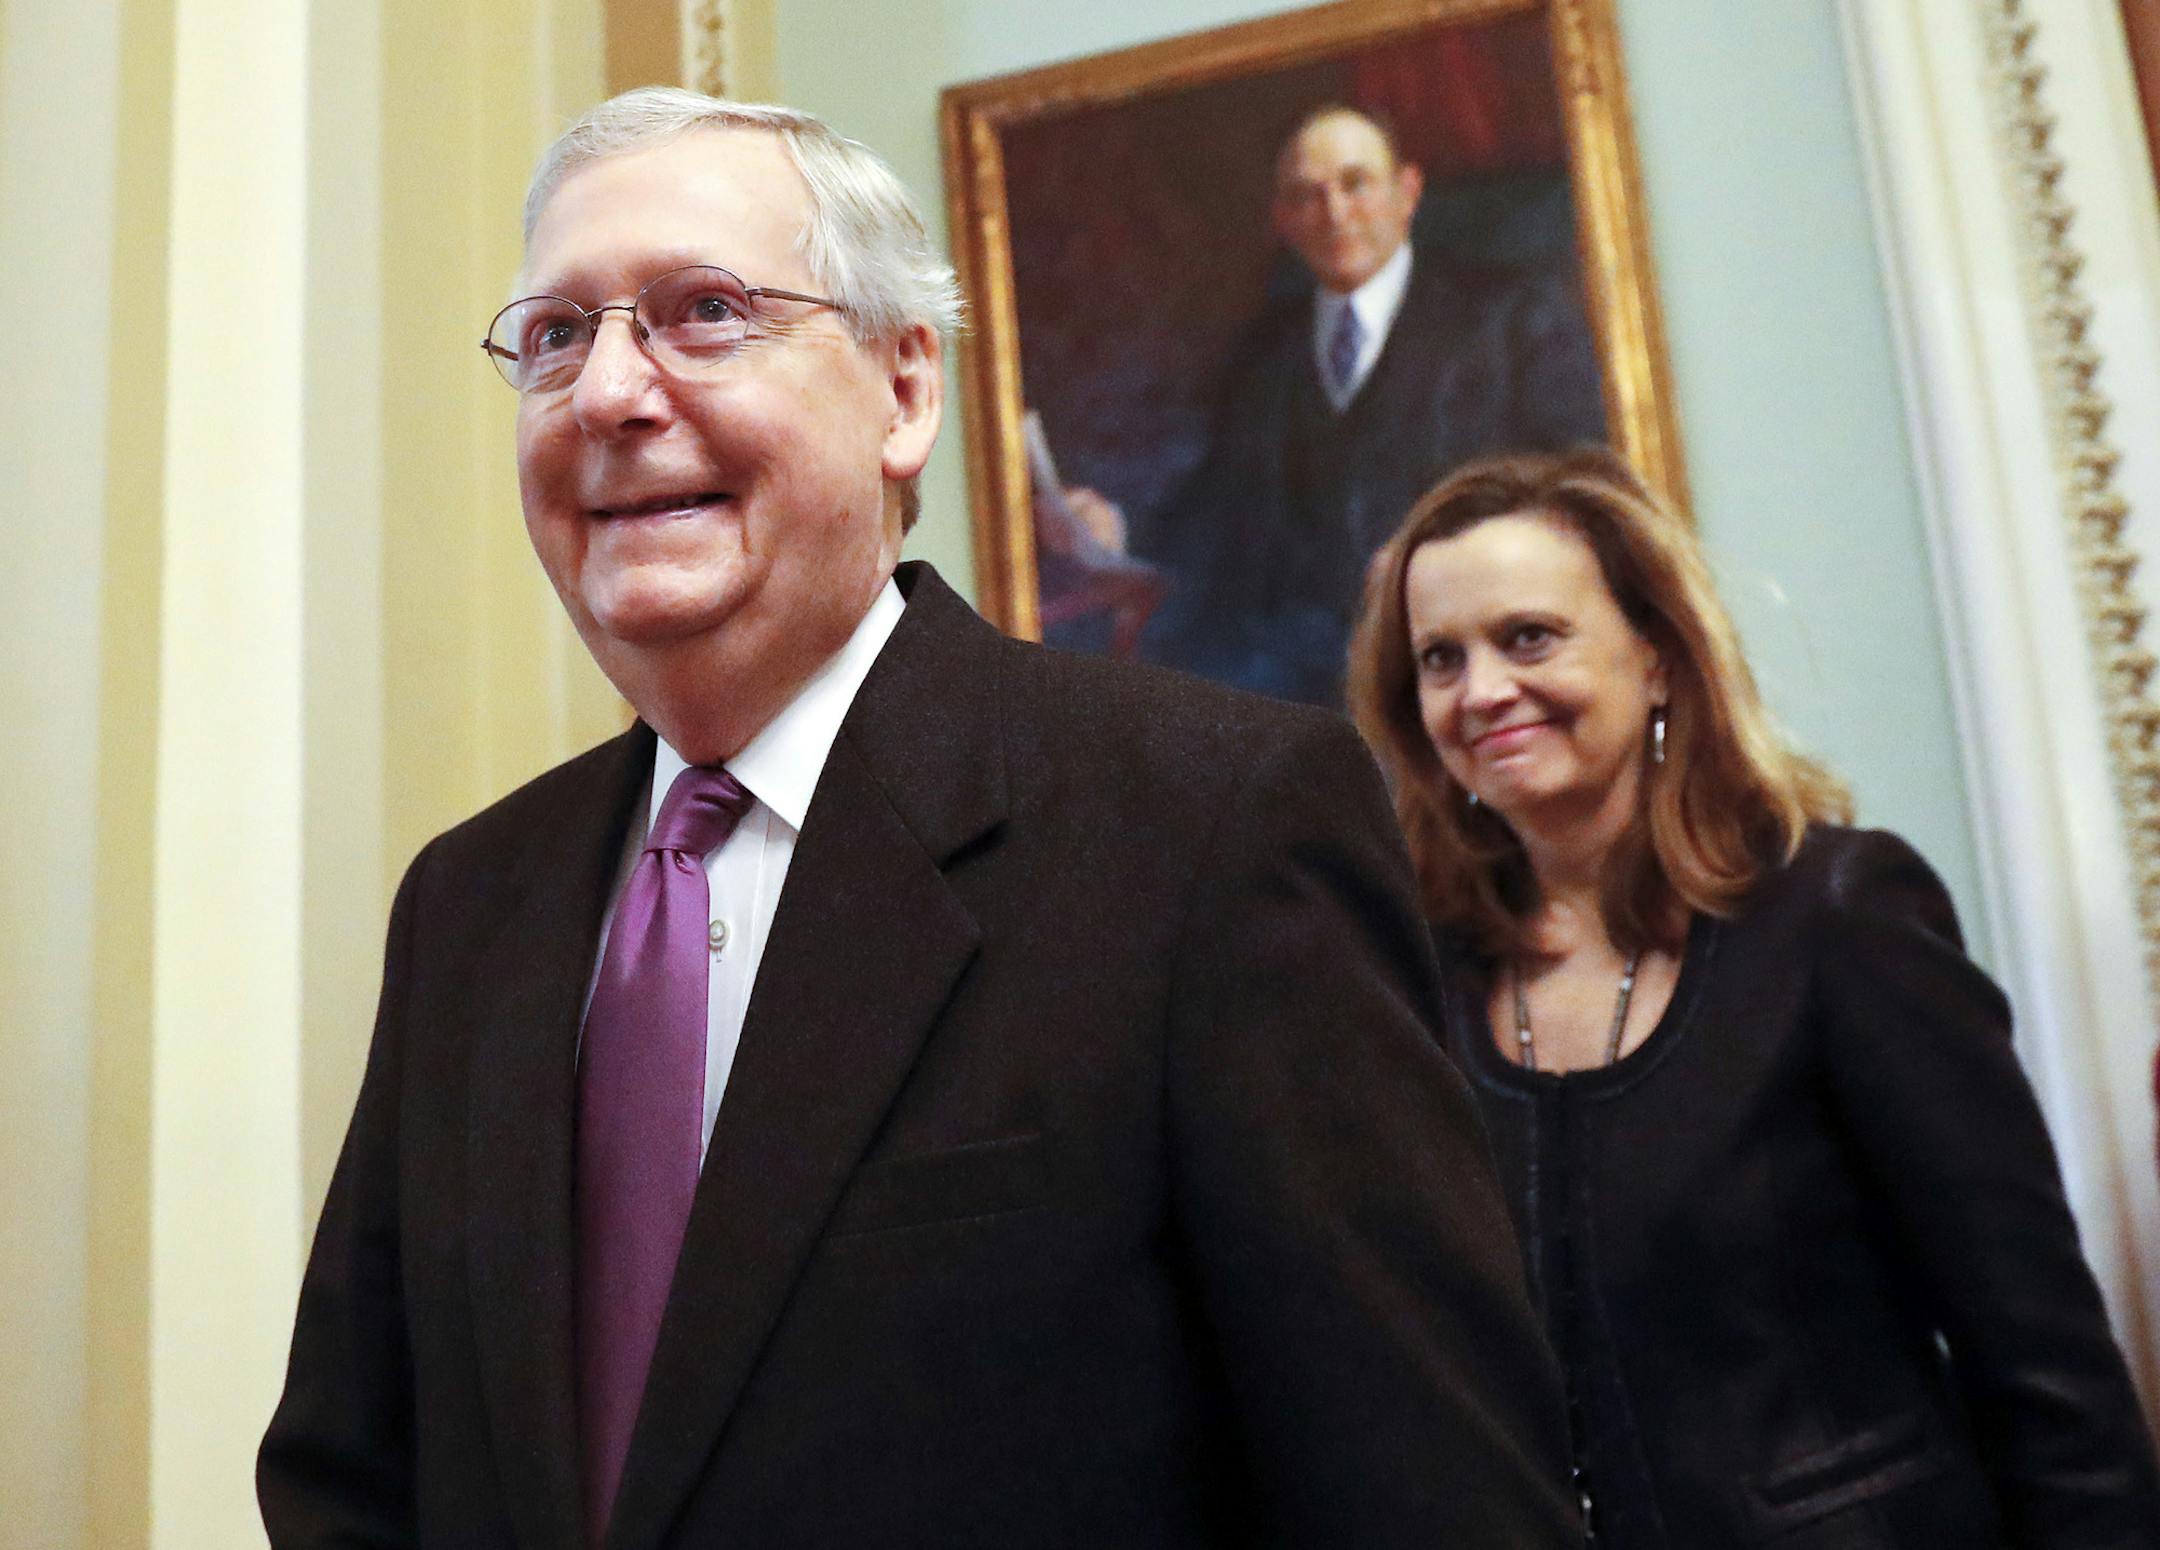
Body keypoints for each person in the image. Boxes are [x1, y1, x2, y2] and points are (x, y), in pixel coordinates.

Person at [256, 87, 1579, 1549]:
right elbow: (349, 1478)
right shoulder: (468, 903)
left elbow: (1436, 1498)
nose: (609, 392)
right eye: (558, 335)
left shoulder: (1212, 827)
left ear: (902, 393)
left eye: (705, 312)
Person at [1347, 445, 2160, 1547]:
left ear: (1657, 658)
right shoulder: (1418, 981)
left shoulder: (1839, 915)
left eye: (1528, 637)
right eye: (1440, 659)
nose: (1482, 690)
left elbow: (2046, 1366)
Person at [1129, 104, 1603, 706]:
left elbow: (1580, 480)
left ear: (1407, 192)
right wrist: (1121, 529)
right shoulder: (1263, 351)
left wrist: (1443, 548)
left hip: (1460, 648)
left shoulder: (1513, 318)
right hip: (1294, 671)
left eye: (1356, 184)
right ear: (1283, 220)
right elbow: (1220, 499)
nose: (1334, 214)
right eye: (1307, 197)